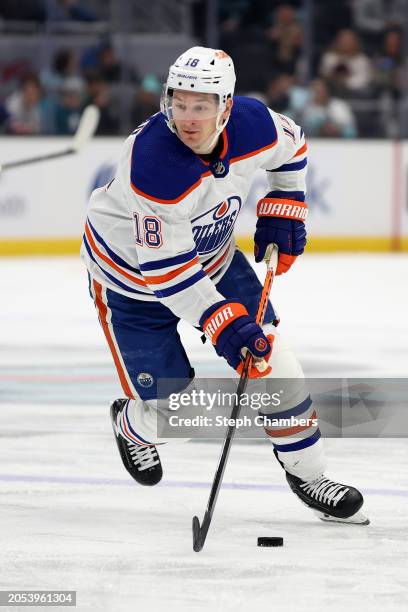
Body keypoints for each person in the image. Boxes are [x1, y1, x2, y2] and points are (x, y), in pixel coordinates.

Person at [81, 47, 368, 525]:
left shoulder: (254, 124)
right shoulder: (154, 165)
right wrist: (223, 324)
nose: (188, 118)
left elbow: (293, 147)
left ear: (226, 107)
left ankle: (310, 474)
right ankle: (132, 425)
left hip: (215, 260)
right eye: (179, 102)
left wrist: (285, 201)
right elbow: (167, 273)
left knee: (273, 361)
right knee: (181, 417)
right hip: (131, 284)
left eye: (202, 105)